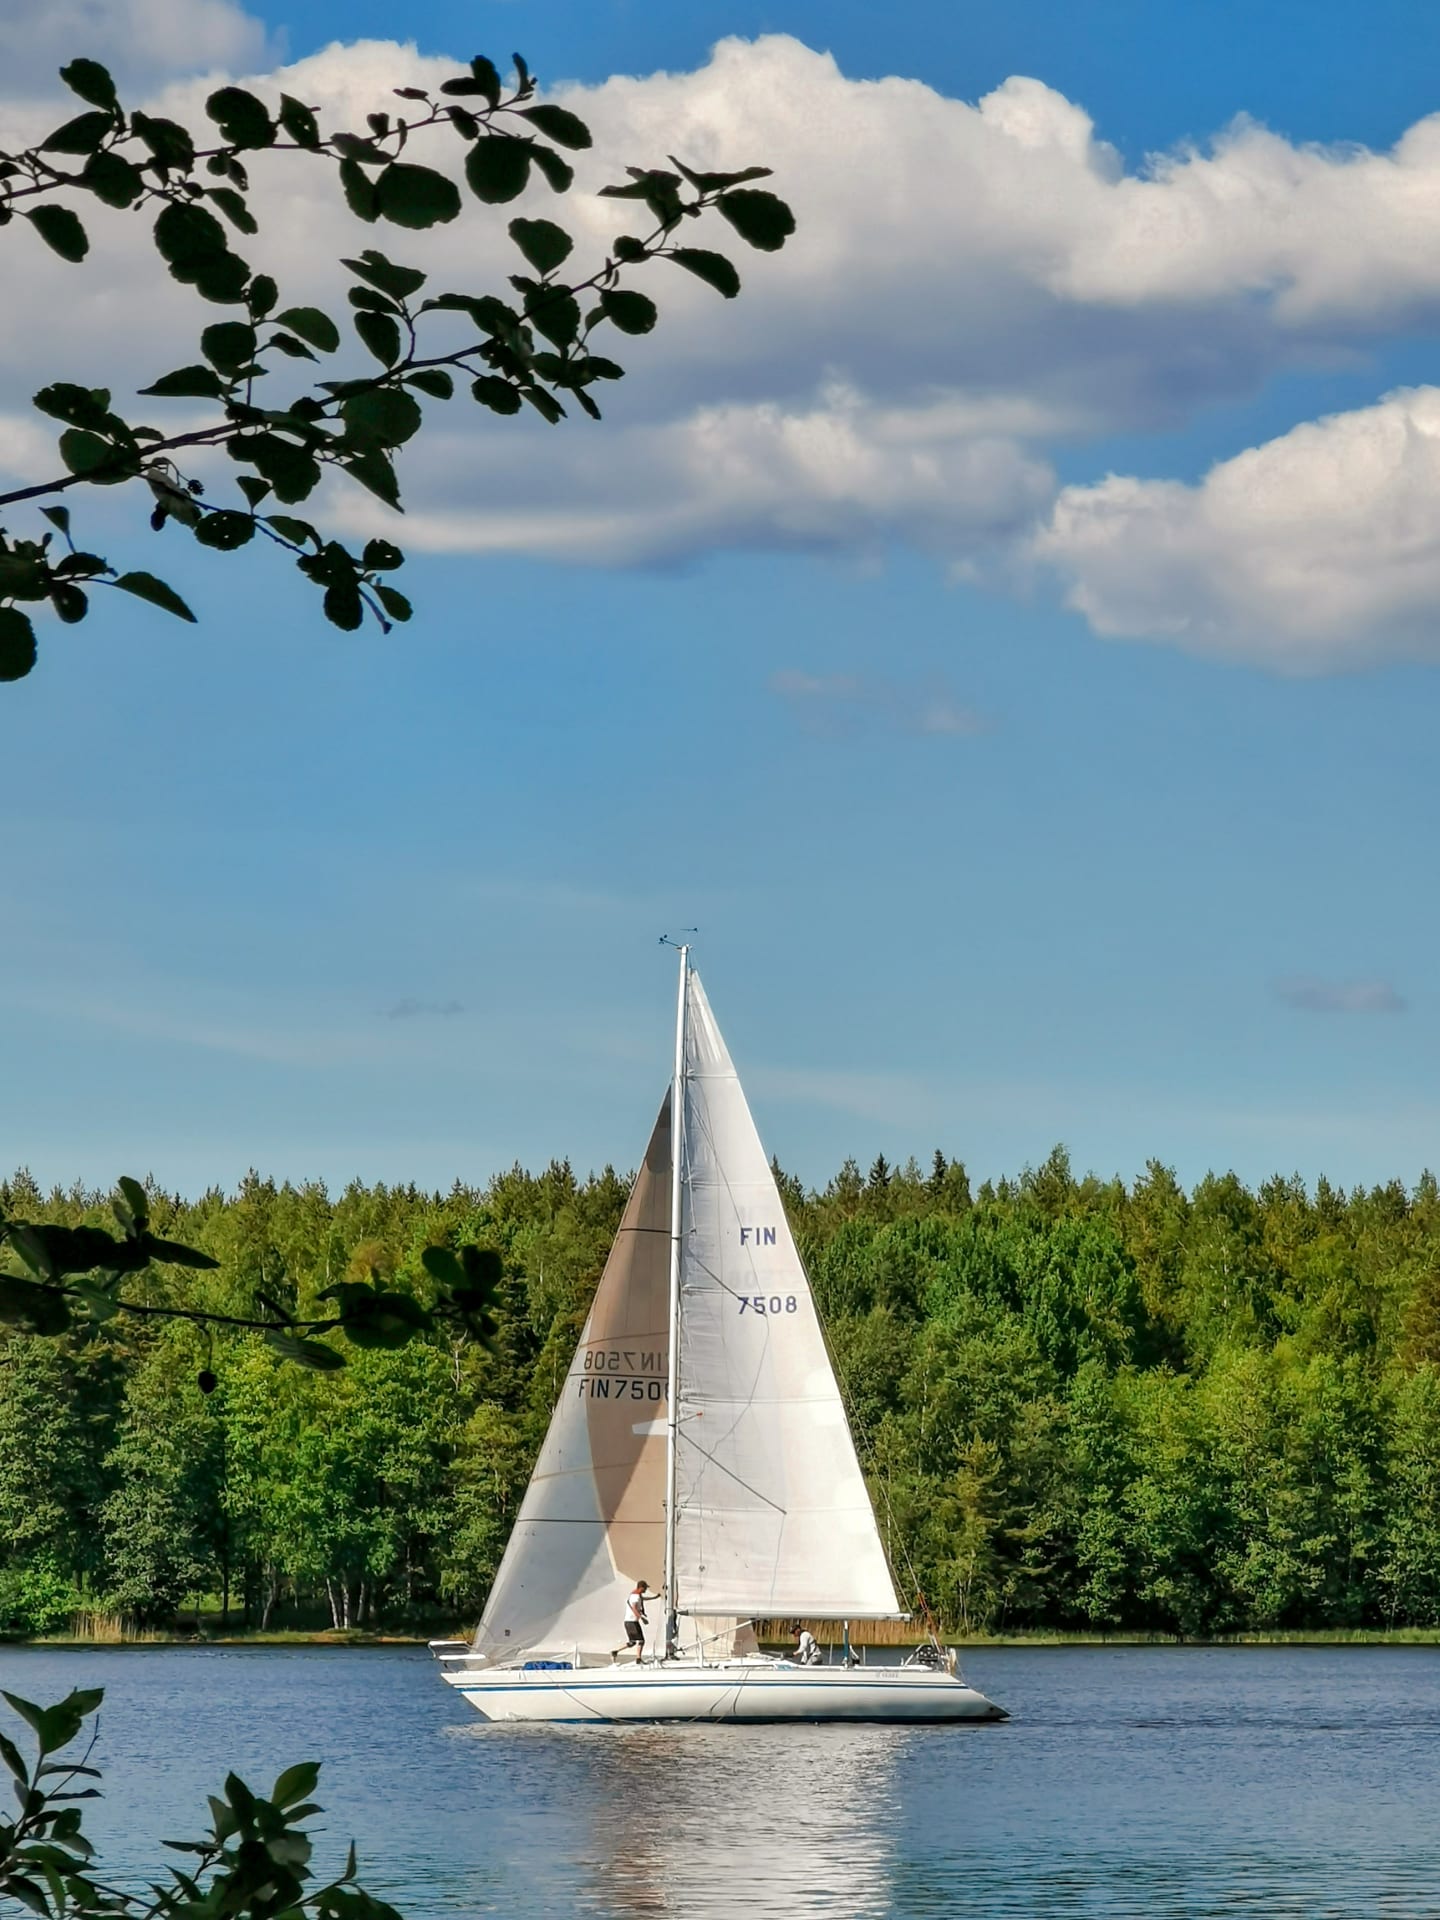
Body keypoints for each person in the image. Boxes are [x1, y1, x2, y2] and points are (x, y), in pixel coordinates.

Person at [622, 1579, 649, 1664]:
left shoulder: (634, 1595)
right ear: (641, 1588)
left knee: (632, 1642)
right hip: (632, 1621)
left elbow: (643, 1599)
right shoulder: (636, 1597)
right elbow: (634, 1607)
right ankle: (638, 1659)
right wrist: (641, 1618)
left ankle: (615, 1651)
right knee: (641, 1641)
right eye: (645, 1588)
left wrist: (655, 1597)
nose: (646, 1590)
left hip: (628, 1621)